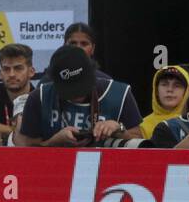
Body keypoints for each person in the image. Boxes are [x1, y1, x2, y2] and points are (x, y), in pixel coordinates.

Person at [13, 45, 142, 146]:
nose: (77, 94)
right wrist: (54, 142)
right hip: (53, 169)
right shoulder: (39, 97)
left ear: (93, 73)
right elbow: (26, 148)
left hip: (109, 168)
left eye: (81, 86)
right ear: (53, 82)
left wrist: (118, 129)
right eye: (70, 89)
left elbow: (140, 141)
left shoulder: (120, 94)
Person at [0, 42, 36, 139]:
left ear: (31, 72)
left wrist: (0, 129)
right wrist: (15, 132)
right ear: (0, 73)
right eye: (6, 69)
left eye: (18, 68)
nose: (12, 74)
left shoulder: (39, 97)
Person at [139, 65, 189, 139]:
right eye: (164, 84)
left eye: (177, 85)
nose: (170, 89)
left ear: (186, 91)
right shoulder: (142, 126)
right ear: (156, 90)